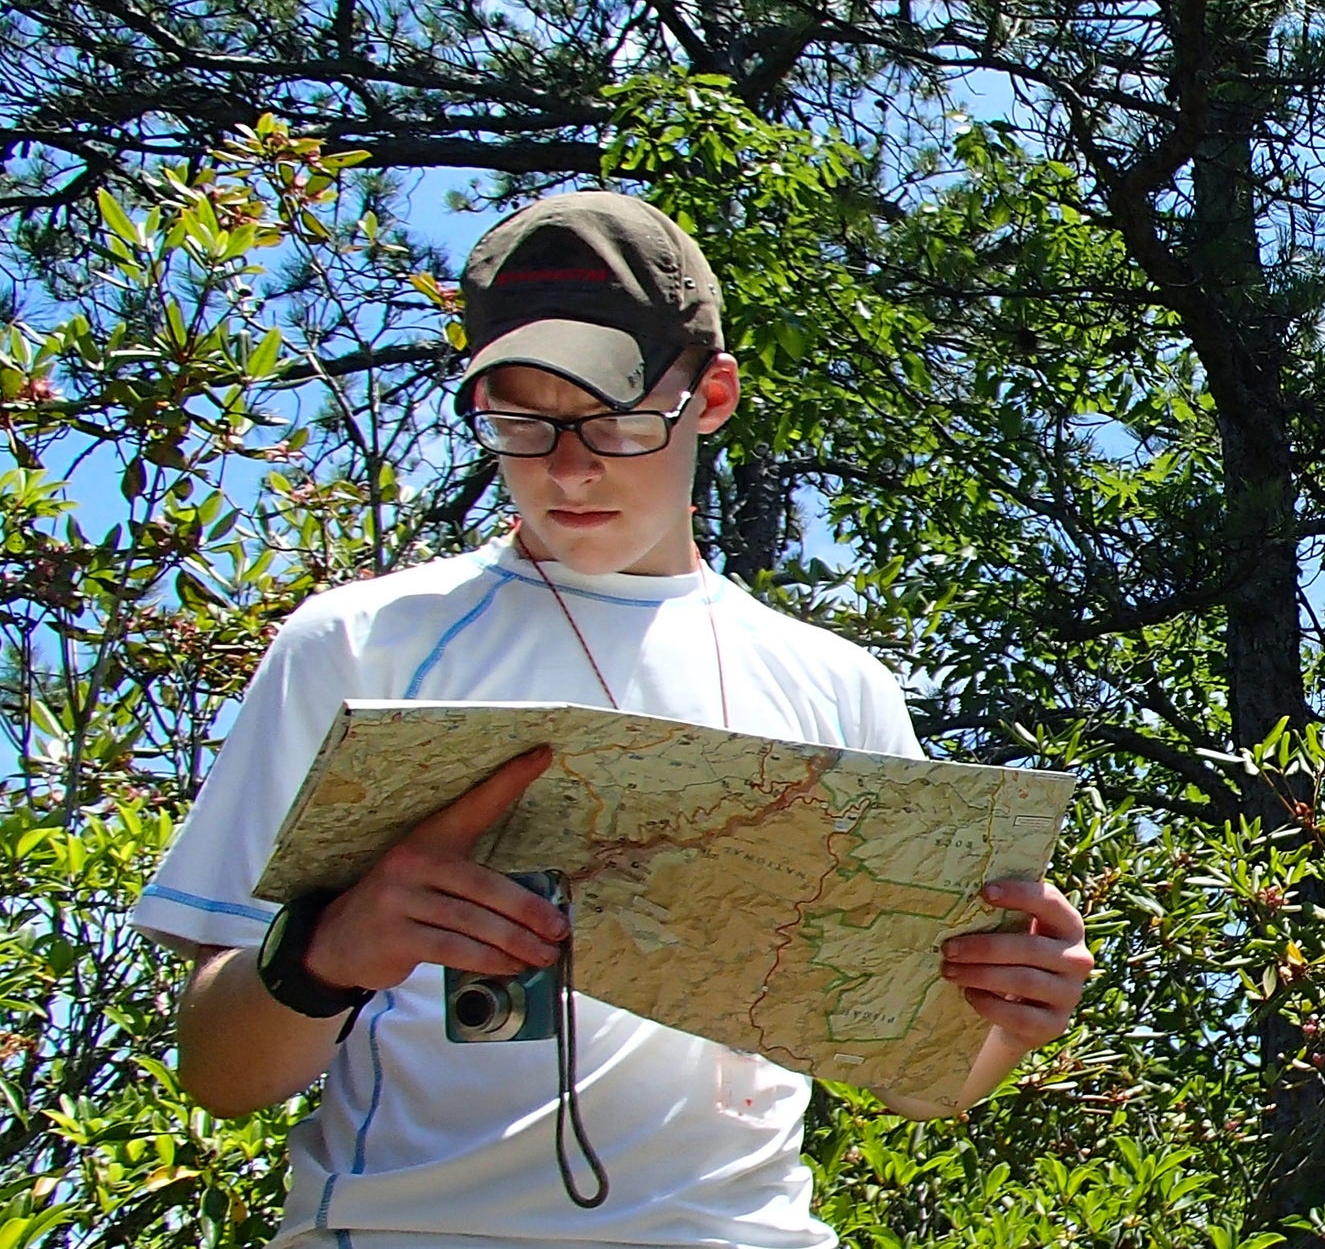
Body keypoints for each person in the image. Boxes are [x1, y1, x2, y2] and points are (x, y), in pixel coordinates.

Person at [131, 191, 1094, 1249]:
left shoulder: (832, 684)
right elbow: (220, 1075)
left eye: (619, 417)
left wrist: (1013, 1011)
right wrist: (322, 956)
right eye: (521, 421)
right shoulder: (365, 648)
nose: (571, 466)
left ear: (713, 394)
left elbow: (919, 1081)